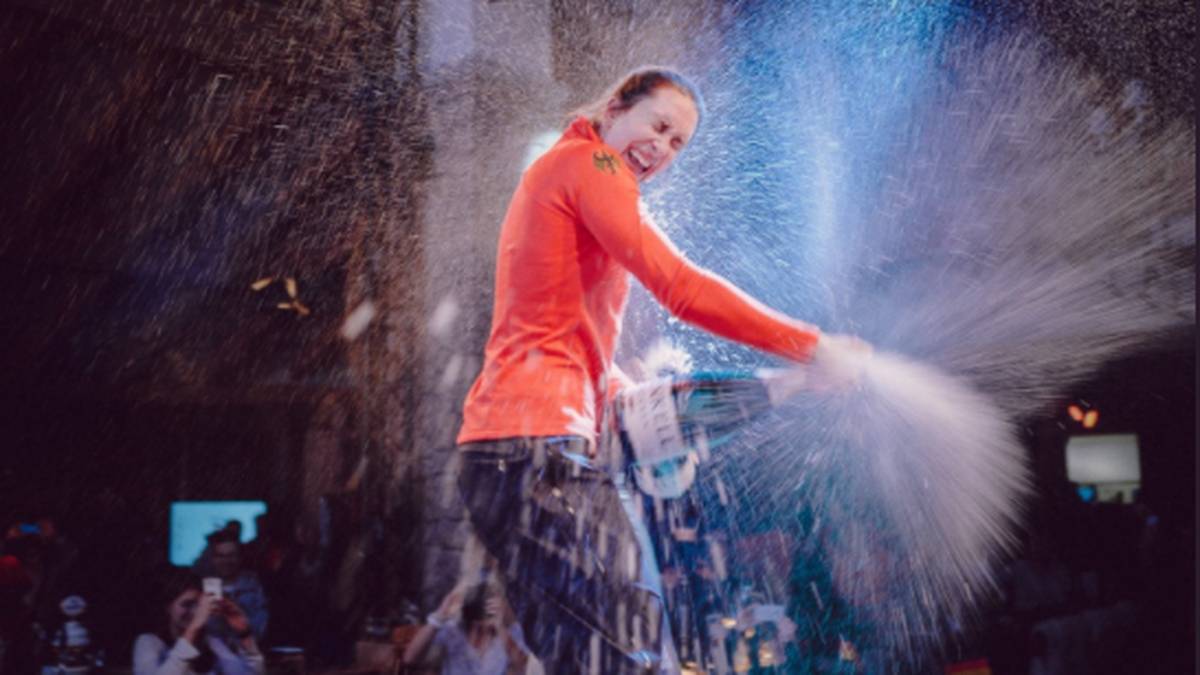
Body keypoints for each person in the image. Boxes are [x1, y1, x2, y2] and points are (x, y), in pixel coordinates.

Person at [455, 66, 870, 673]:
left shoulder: (573, 186)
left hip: (509, 455)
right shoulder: (590, 165)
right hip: (535, 452)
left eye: (679, 143)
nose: (663, 148)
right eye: (659, 125)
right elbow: (679, 287)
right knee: (630, 624)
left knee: (591, 657)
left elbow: (650, 414)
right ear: (616, 107)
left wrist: (795, 385)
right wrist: (810, 346)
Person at [132, 568, 263, 675]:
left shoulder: (211, 642)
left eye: (198, 605)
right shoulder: (148, 643)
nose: (195, 612)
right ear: (168, 607)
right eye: (187, 604)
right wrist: (193, 628)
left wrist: (244, 632)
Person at [402, 582, 527, 675]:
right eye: (476, 627)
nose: (481, 634)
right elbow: (409, 658)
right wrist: (439, 616)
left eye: (487, 627)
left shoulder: (509, 633)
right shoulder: (453, 630)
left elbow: (522, 667)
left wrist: (500, 627)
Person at [199, 530, 269, 642]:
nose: (226, 561)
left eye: (231, 555)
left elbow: (261, 629)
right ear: (213, 558)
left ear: (240, 557)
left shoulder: (256, 585)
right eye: (220, 556)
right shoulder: (202, 587)